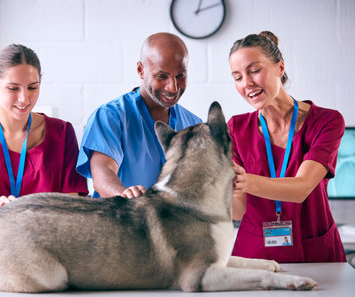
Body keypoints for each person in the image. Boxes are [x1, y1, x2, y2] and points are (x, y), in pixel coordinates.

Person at [228, 31, 346, 262]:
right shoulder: (235, 128)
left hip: (315, 252)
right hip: (255, 256)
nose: (247, 83)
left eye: (254, 71)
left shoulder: (326, 122)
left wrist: (241, 179)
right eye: (237, 77)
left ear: (280, 68)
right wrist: (223, 182)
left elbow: (300, 189)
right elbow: (237, 211)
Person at [0, 44, 88, 226]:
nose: (24, 99)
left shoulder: (62, 133)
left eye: (32, 87)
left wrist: (27, 217)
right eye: (13, 89)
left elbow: (72, 205)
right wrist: (3, 217)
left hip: (50, 243)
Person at [76, 32, 202, 198]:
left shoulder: (194, 125)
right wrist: (124, 194)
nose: (173, 87)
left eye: (180, 76)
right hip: (121, 220)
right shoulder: (110, 117)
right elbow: (103, 174)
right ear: (141, 70)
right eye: (161, 76)